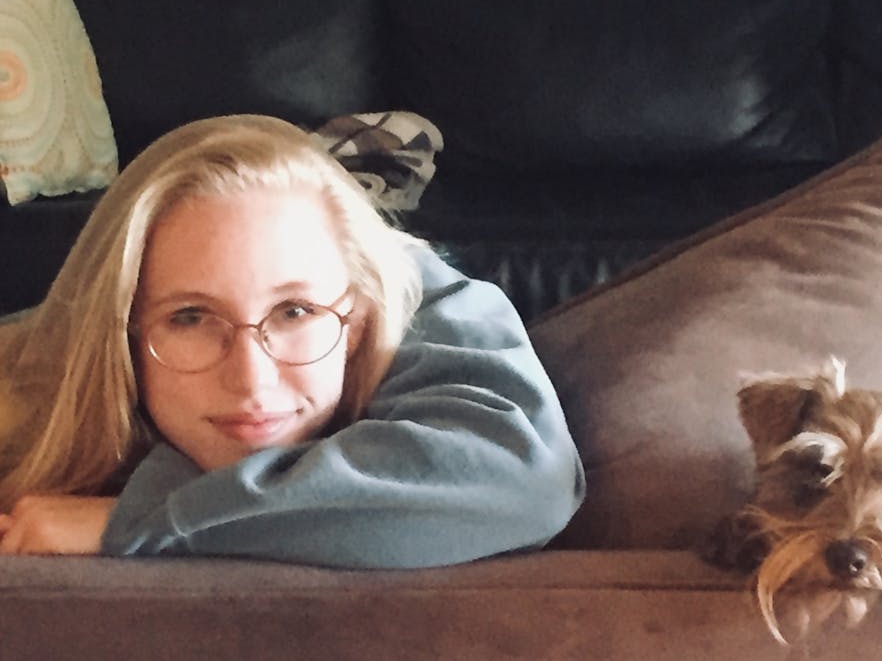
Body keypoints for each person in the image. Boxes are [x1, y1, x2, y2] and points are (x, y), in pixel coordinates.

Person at [0, 115, 584, 567]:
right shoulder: (62, 358)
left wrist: (135, 521)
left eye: (295, 311)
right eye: (191, 317)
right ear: (122, 331)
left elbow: (524, 479)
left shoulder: (418, 306)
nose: (252, 382)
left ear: (356, 319)